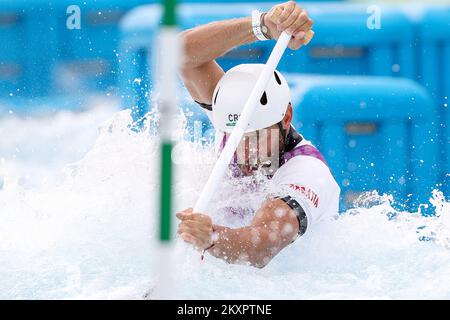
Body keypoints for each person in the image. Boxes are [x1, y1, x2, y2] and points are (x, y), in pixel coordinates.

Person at [177, 1, 340, 268]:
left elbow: (261, 248)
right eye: (236, 137)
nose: (245, 151)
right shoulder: (235, 122)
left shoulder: (307, 173)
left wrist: (210, 237)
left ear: (285, 118)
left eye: (256, 137)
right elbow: (181, 54)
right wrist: (262, 25)